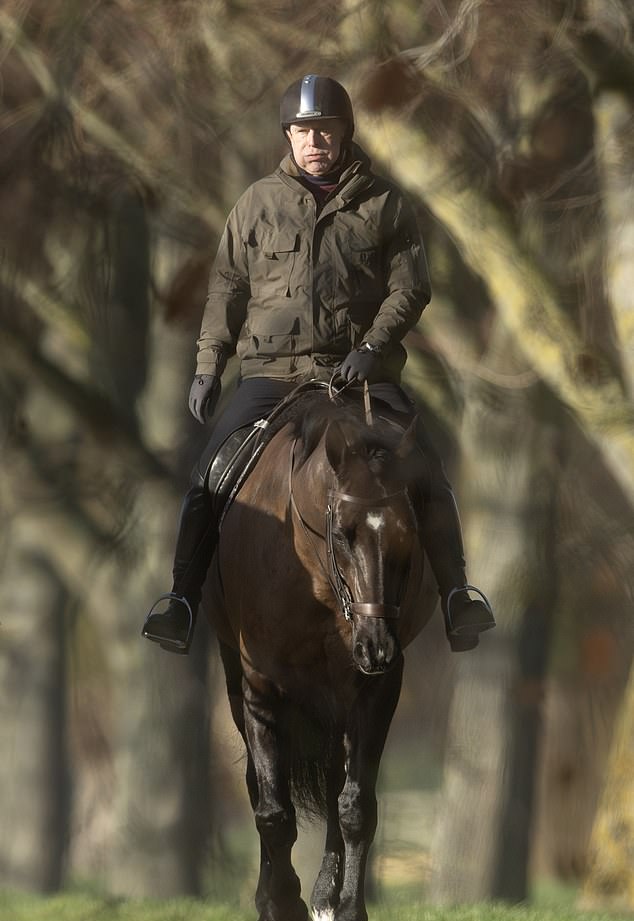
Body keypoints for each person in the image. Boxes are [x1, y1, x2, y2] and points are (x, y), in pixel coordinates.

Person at [142, 74, 495, 655]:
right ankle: (181, 600)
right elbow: (226, 289)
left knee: (425, 467)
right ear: (288, 135)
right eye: (303, 131)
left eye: (325, 130)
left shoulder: (385, 205)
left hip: (358, 378)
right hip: (269, 377)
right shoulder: (254, 205)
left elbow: (411, 290)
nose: (314, 141)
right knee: (209, 475)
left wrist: (373, 350)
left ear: (345, 134)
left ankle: (459, 595)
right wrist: (209, 364)